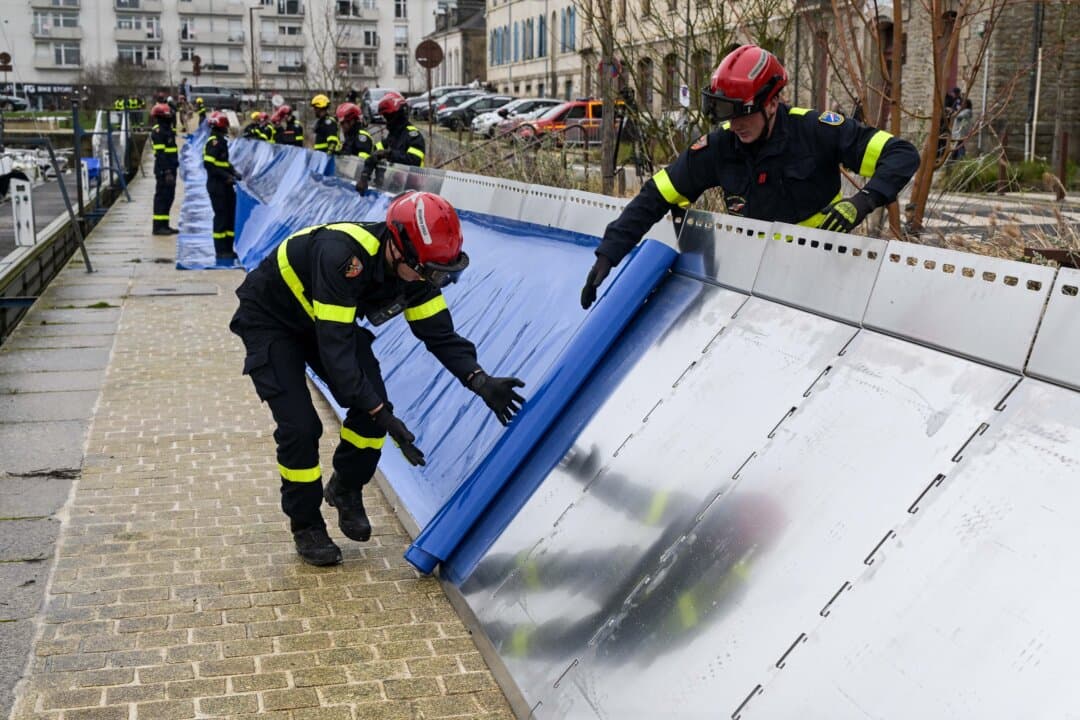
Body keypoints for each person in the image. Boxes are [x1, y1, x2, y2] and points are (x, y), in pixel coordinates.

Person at [228, 191, 527, 566]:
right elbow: (338, 357)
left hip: (326, 322)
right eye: (428, 271)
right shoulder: (343, 257)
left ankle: (346, 487)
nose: (430, 281)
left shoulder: (417, 270)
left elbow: (439, 335)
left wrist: (480, 381)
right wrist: (382, 414)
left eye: (442, 274)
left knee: (372, 409)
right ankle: (306, 526)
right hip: (273, 321)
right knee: (302, 428)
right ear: (397, 247)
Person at [580, 44, 920, 309]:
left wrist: (862, 202)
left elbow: (902, 154)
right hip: (756, 281)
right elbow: (657, 196)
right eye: (725, 113)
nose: (735, 124)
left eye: (742, 113)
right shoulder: (719, 147)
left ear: (771, 104)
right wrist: (609, 254)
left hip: (825, 276)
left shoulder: (815, 131)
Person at [357, 92, 425, 193]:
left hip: (411, 190)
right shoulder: (392, 137)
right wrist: (365, 175)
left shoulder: (413, 136)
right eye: (385, 117)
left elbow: (414, 160)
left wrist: (389, 154)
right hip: (391, 187)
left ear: (397, 115)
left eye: (388, 116)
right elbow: (374, 153)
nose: (386, 120)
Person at [202, 111, 242, 264]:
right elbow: (209, 165)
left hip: (224, 185)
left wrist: (233, 172)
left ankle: (228, 249)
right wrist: (226, 177)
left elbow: (223, 163)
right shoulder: (214, 142)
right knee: (221, 217)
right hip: (217, 186)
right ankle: (221, 250)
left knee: (229, 216)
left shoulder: (220, 141)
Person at [149, 103, 179, 235]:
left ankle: (165, 225)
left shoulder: (168, 130)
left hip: (171, 169)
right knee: (162, 198)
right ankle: (158, 227)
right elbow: (161, 155)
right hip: (164, 170)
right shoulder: (158, 132)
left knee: (169, 197)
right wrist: (167, 172)